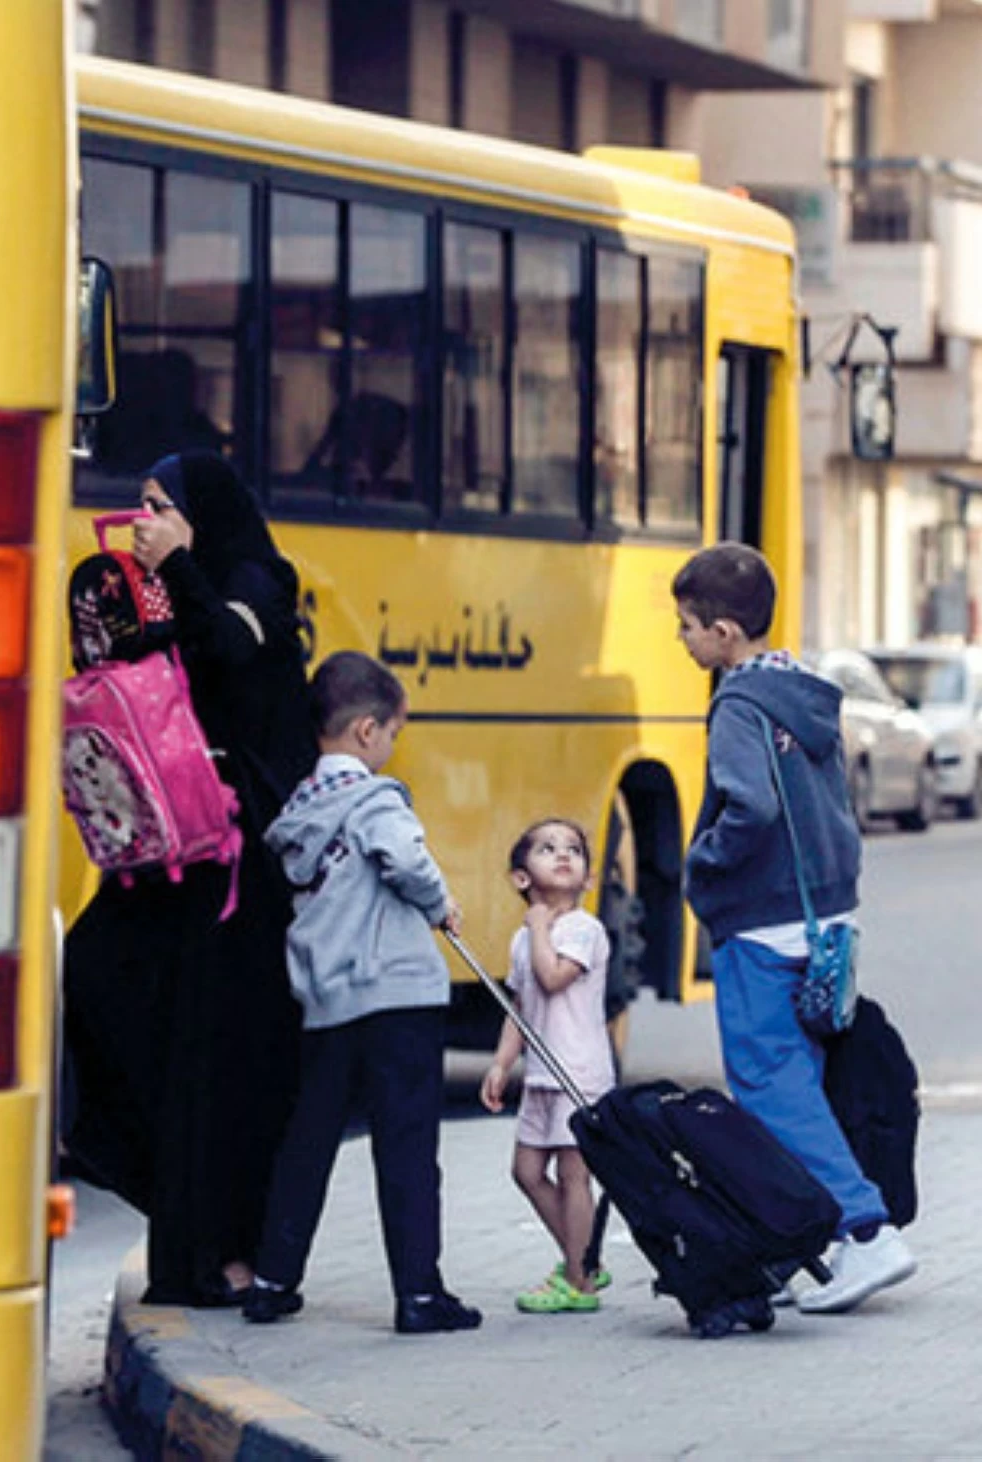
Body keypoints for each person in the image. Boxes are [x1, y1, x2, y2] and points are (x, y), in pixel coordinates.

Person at [60, 452, 318, 1308]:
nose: (145, 522)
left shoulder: (260, 583)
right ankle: (179, 1229)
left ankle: (226, 1254)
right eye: (139, 506)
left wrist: (175, 564)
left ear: (202, 514)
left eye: (160, 506)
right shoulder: (160, 589)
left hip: (241, 878)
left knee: (220, 1066)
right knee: (94, 981)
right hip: (171, 863)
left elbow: (230, 651)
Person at [673, 543, 916, 1315]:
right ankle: (790, 1243)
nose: (681, 640)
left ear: (722, 632)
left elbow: (751, 807)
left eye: (686, 627)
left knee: (771, 1087)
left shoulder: (738, 706)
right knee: (796, 1087)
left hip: (762, 920)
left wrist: (704, 863)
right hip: (823, 918)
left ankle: (866, 1230)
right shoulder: (804, 692)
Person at [242, 652, 482, 1335]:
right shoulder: (375, 800)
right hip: (397, 996)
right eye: (393, 734)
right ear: (367, 731)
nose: (392, 747)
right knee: (406, 1147)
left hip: (327, 1001)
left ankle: (272, 1280)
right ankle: (419, 1294)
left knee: (308, 1141)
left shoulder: (298, 811)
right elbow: (403, 858)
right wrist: (438, 903)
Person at [479, 817, 615, 1314]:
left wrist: (539, 927)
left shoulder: (583, 929)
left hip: (578, 1073)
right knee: (527, 1170)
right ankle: (584, 1260)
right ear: (521, 877)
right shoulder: (523, 940)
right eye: (548, 848)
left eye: (574, 850)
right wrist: (501, 1063)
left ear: (588, 879)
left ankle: (579, 1282)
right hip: (541, 1074)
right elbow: (520, 1006)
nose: (563, 855)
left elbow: (553, 977)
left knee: (574, 1175)